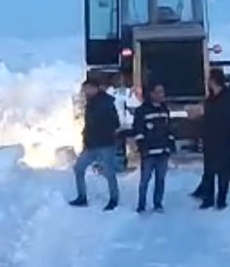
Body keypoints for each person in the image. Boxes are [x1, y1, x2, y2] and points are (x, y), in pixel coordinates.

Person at [192, 69, 230, 204]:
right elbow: (208, 119)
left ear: (214, 81)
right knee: (210, 170)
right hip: (210, 139)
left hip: (226, 138)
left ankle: (222, 199)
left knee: (225, 169)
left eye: (209, 80)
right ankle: (209, 198)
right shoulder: (211, 100)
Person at [69, 79, 121, 210]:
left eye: (88, 89)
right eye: (84, 89)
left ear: (95, 88)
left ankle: (114, 199)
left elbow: (115, 123)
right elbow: (89, 124)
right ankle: (82, 197)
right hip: (91, 145)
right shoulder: (90, 103)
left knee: (109, 172)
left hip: (105, 144)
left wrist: (104, 131)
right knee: (78, 168)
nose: (85, 92)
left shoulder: (106, 103)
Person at [124, 83, 173, 213]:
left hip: (163, 152)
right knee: (144, 180)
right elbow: (138, 130)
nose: (161, 95)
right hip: (149, 153)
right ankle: (141, 205)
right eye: (158, 92)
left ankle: (158, 204)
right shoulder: (142, 111)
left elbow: (169, 129)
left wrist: (170, 144)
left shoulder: (164, 109)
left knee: (160, 179)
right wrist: (142, 146)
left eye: (162, 92)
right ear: (151, 94)